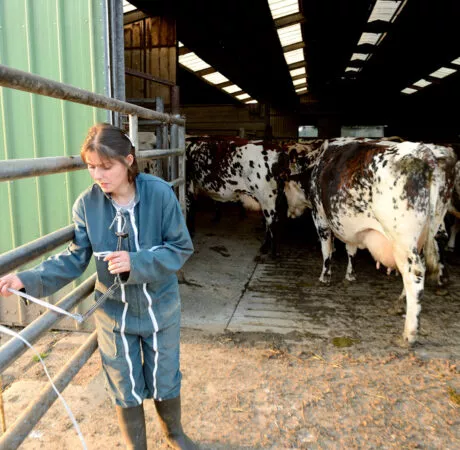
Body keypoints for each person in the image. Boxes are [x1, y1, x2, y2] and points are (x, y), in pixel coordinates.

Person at [0, 123, 197, 450]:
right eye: (91, 167)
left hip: (160, 307)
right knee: (124, 380)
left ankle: (174, 434)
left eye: (106, 167)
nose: (98, 175)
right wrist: (27, 279)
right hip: (114, 314)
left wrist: (137, 262)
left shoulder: (160, 194)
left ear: (128, 161)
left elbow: (180, 247)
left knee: (165, 376)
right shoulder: (87, 206)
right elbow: (74, 258)